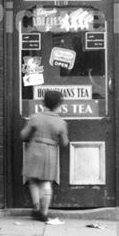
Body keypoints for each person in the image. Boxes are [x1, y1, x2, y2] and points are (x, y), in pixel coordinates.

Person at [20, 89, 69, 224]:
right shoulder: (61, 122)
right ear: (59, 105)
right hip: (50, 152)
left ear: (44, 103)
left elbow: (24, 135)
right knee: (46, 182)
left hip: (34, 149)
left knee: (33, 180)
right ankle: (44, 212)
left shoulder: (35, 117)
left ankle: (36, 206)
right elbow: (64, 143)